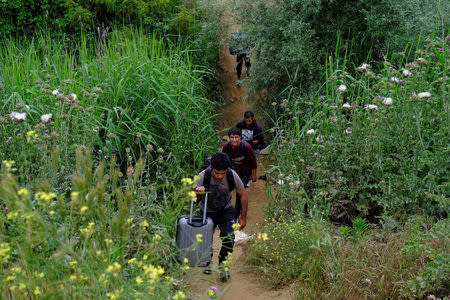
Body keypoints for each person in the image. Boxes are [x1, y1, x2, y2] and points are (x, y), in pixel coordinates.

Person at [194, 152, 248, 282]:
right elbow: (193, 201)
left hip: (226, 210)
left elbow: (243, 194)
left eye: (223, 173)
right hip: (207, 210)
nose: (220, 176)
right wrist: (198, 193)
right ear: (211, 167)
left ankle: (223, 265)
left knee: (229, 238)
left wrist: (243, 217)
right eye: (217, 173)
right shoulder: (202, 176)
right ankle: (208, 262)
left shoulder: (231, 175)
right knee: (205, 240)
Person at [222, 128, 257, 220]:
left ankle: (236, 215)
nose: (234, 140)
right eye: (232, 137)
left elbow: (253, 161)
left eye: (236, 137)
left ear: (240, 137)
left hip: (245, 172)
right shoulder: (226, 147)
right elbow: (223, 160)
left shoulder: (247, 147)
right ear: (229, 138)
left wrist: (254, 174)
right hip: (232, 171)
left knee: (239, 193)